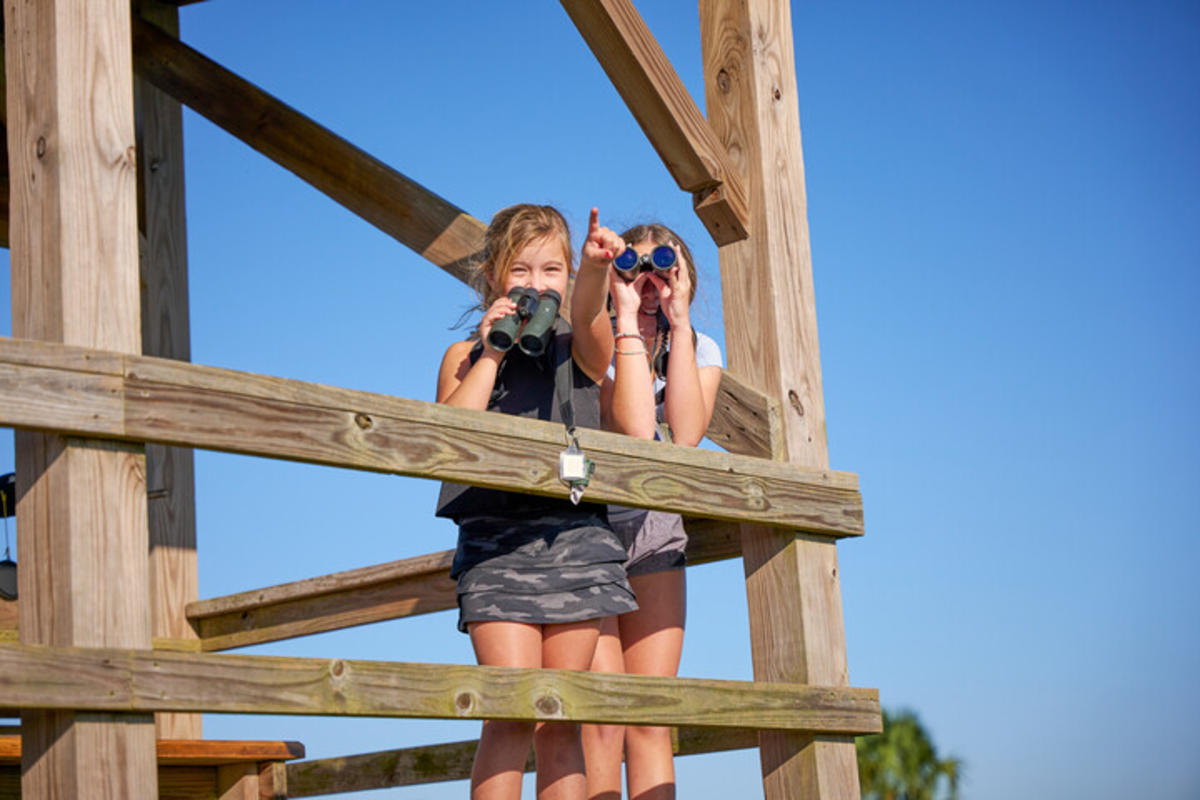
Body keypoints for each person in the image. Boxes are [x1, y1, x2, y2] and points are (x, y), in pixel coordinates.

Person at [435, 204, 637, 800]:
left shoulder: (579, 348)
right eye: (519, 270)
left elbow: (591, 316)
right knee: (510, 712)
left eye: (552, 269)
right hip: (496, 546)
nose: (535, 284)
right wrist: (491, 350)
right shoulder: (462, 357)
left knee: (558, 717)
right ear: (494, 276)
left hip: (575, 542)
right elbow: (448, 436)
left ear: (569, 275)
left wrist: (598, 271)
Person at [582, 224, 723, 800]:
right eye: (635, 271)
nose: (647, 286)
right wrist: (620, 315)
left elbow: (684, 435)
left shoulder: (698, 348)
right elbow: (635, 426)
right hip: (587, 532)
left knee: (650, 714)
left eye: (660, 273)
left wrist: (681, 321)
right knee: (599, 719)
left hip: (654, 533)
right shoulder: (592, 340)